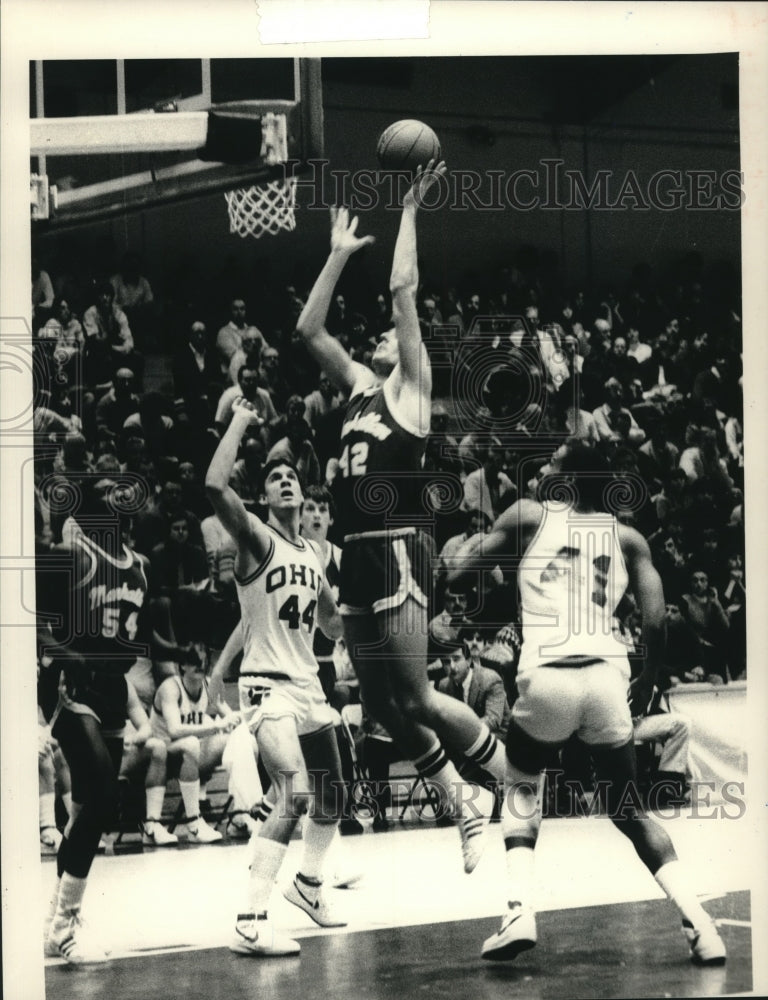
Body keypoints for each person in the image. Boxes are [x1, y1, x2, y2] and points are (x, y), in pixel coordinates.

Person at [296, 162, 506, 874]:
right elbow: (308, 329)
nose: (384, 335)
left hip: (398, 546)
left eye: (393, 334)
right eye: (385, 336)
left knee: (416, 695)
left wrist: (410, 208)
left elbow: (402, 290)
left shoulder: (411, 387)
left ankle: (512, 775)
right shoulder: (359, 385)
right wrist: (336, 255)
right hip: (356, 548)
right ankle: (464, 807)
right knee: (382, 706)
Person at [448, 440, 726, 966]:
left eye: (552, 462)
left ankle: (519, 911)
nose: (542, 467)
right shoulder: (628, 538)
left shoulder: (528, 516)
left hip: (548, 677)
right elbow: (656, 619)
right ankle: (701, 924)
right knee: (629, 809)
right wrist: (648, 677)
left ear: (569, 480)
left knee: (521, 786)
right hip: (605, 679)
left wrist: (473, 546)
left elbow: (458, 574)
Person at [205, 414, 348, 957]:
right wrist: (240, 423)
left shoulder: (312, 554)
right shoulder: (255, 537)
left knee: (333, 796)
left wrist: (360, 603)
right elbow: (214, 485)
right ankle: (250, 919)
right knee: (294, 791)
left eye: (291, 477)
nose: (285, 482)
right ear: (264, 497)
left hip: (308, 687)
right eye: (275, 479)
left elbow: (332, 625)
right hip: (267, 685)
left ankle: (308, 885)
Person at [36, 475, 151, 964]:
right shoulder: (77, 554)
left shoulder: (141, 567)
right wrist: (70, 657)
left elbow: (134, 639)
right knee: (104, 794)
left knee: (90, 812)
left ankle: (55, 920)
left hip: (112, 690)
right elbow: (34, 622)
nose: (117, 493)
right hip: (72, 685)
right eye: (105, 490)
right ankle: (65, 926)